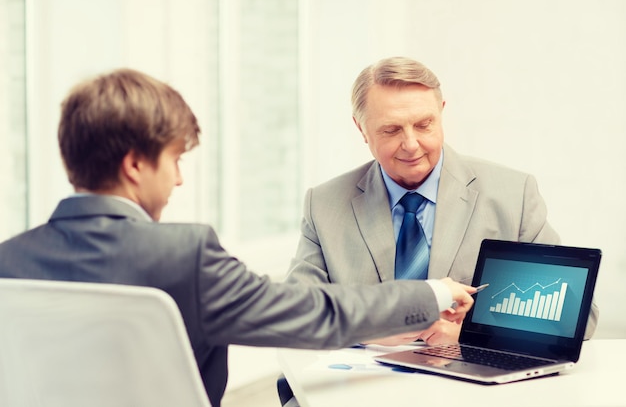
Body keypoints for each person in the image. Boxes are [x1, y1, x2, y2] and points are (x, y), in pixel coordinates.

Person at [0, 68, 476, 407]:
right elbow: (315, 314)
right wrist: (434, 293)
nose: (179, 181)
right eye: (175, 161)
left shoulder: (9, 261)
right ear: (135, 165)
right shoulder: (183, 256)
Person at [285, 56, 598, 346]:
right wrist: (372, 329)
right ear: (361, 128)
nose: (411, 144)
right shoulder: (324, 205)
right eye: (392, 130)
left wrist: (470, 333)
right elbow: (294, 315)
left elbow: (579, 318)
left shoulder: (513, 195)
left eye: (424, 125)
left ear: (441, 113)